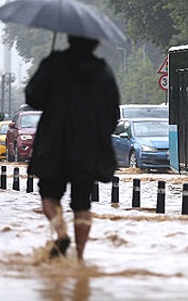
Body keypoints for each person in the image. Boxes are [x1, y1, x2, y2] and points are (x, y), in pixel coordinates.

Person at [25, 35, 120, 261]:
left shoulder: (54, 64)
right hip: (88, 147)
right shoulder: (103, 71)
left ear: (68, 39)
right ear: (95, 43)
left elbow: (33, 97)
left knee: (49, 193)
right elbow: (113, 113)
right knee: (82, 202)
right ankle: (79, 257)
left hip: (54, 142)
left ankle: (61, 232)